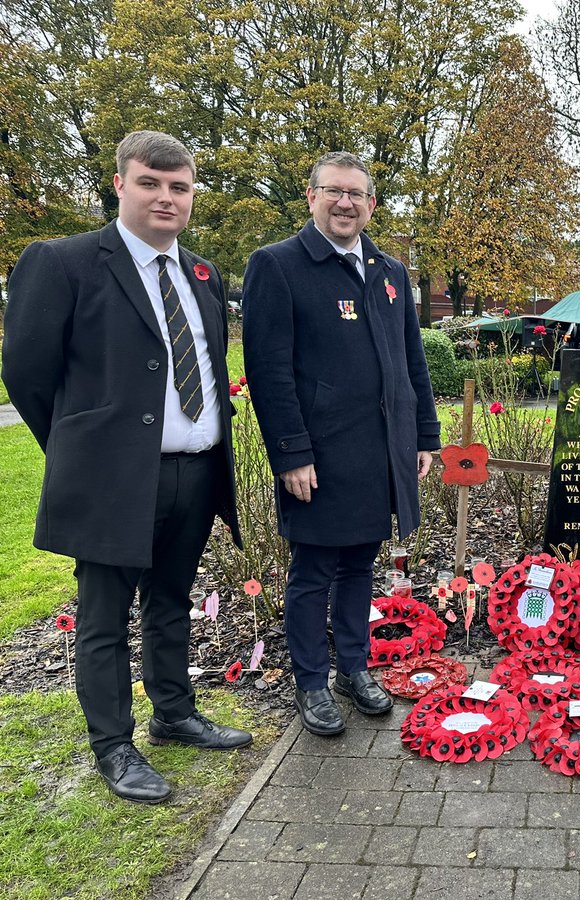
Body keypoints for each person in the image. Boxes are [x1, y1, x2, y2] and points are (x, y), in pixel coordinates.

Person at [1, 131, 250, 804]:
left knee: (171, 601)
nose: (166, 197)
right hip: (111, 481)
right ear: (119, 185)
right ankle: (113, 745)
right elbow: (26, 375)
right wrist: (83, 454)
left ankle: (174, 714)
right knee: (103, 617)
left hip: (195, 474)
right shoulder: (63, 263)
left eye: (179, 187)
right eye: (151, 183)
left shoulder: (202, 273)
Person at [243, 151, 440, 737]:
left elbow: (412, 361)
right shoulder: (277, 266)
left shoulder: (389, 271)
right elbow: (269, 371)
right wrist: (291, 452)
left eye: (357, 194)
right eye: (334, 191)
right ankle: (311, 684)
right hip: (319, 456)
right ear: (312, 197)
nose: (345, 203)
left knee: (360, 565)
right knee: (313, 570)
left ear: (372, 205)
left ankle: (354, 668)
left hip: (380, 451)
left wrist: (422, 435)